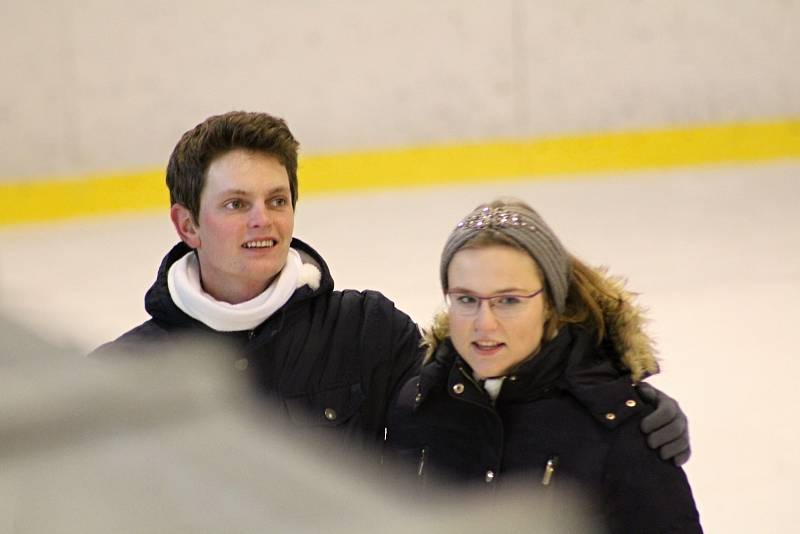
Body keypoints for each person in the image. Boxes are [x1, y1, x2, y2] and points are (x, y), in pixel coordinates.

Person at [94, 111, 690, 463]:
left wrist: (612, 404)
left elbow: (483, 393)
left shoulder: (365, 330)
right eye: (236, 204)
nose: (263, 220)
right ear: (187, 224)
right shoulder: (125, 376)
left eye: (278, 200)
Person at [385, 199, 702, 532]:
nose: (484, 323)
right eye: (466, 299)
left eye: (508, 300)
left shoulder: (620, 429)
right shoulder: (418, 407)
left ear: (551, 303)